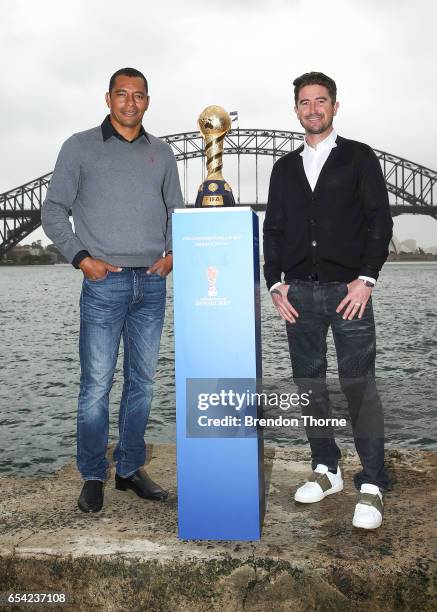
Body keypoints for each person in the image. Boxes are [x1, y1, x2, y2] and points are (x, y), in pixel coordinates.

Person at [42, 67, 183, 513]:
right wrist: (82, 259)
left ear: (147, 101)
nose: (129, 102)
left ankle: (129, 469)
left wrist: (173, 256)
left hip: (151, 284)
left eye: (138, 95)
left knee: (141, 384)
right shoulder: (79, 147)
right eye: (121, 94)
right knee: (96, 386)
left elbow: (176, 212)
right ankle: (91, 474)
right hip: (104, 283)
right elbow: (53, 211)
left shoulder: (162, 154)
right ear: (108, 99)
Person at [263, 72, 393, 529]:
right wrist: (274, 284)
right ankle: (326, 468)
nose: (312, 109)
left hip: (349, 293)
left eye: (321, 101)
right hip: (298, 293)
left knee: (359, 386)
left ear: (335, 106)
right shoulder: (283, 167)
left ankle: (373, 482)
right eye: (304, 102)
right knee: (310, 386)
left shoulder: (358, 157)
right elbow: (273, 229)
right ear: (295, 109)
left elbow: (380, 220)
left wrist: (366, 279)